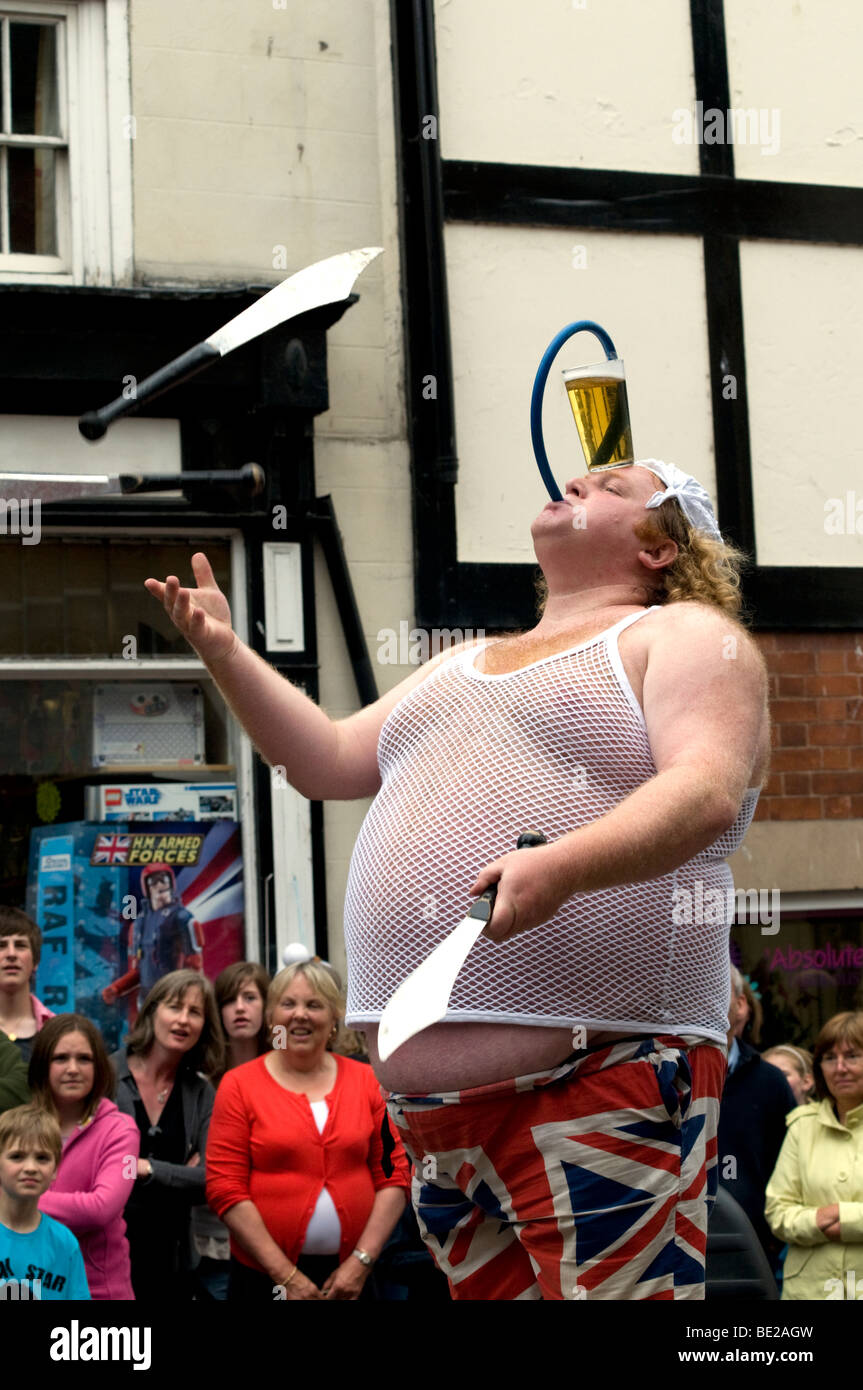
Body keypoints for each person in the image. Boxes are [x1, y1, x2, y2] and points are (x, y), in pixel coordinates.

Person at [147, 457, 769, 1301]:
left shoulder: (686, 634)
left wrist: (560, 866)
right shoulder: (461, 662)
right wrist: (223, 651)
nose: (578, 481)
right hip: (436, 1119)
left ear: (661, 547)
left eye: (612, 485)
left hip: (602, 1074)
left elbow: (703, 791)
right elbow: (323, 760)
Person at [206, 952, 409, 1301]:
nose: (300, 1014)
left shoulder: (367, 1080)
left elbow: (394, 1174)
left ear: (334, 1019)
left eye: (314, 1004)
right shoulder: (238, 1085)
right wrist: (286, 1276)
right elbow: (226, 1188)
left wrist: (360, 1262)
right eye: (288, 1004)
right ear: (271, 1018)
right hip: (263, 1282)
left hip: (354, 1281)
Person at [112, 968, 222, 1300]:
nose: (184, 1020)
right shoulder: (106, 1076)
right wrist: (179, 1175)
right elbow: (98, 1170)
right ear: (151, 1009)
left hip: (175, 1261)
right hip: (109, 1256)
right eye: (174, 1007)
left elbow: (210, 1180)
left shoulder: (201, 1092)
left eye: (195, 1012)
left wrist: (145, 1168)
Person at [27, 1014, 139, 1299]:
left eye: (84, 1059)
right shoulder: (19, 1127)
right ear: (43, 1065)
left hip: (97, 1291)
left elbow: (101, 1209)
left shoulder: (121, 1130)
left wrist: (20, 1200)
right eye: (61, 1058)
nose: (73, 1069)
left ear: (99, 1067)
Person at [765, 1011, 863, 1301]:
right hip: (809, 1291)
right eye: (830, 1058)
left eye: (853, 1056)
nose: (840, 1068)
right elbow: (778, 1212)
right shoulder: (802, 1126)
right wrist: (821, 1219)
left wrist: (841, 1217)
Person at [192, 960, 271, 1300]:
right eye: (229, 1000)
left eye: (250, 997)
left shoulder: (285, 1074)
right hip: (215, 1241)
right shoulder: (200, 1083)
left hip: (280, 1236)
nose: (239, 1008)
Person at [717, 965, 795, 1271]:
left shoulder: (770, 1082)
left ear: (741, 1005)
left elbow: (788, 1165)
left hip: (757, 1249)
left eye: (718, 992)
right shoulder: (666, 1075)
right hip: (676, 1248)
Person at [0, 1103, 90, 1300]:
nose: (31, 1167)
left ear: (55, 1168)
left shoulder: (64, 1244)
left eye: (42, 1158)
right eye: (17, 1156)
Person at [102, 863, 204, 1019]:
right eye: (154, 882)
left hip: (176, 1004)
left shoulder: (183, 918)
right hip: (147, 1005)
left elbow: (195, 966)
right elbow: (139, 972)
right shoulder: (139, 924)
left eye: (163, 880)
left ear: (171, 884)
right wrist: (117, 988)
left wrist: (191, 1001)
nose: (159, 885)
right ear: (147, 888)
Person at [0, 906, 55, 1064]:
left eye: (20, 945)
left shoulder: (56, 1032)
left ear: (36, 960)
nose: (11, 954)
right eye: (1, 945)